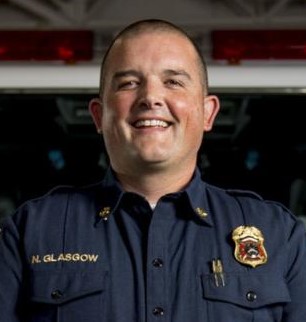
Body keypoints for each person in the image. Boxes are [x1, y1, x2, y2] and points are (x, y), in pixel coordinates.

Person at [0, 19, 305, 322]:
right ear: (99, 114)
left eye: (173, 81)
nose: (150, 97)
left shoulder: (283, 237)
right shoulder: (29, 232)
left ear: (208, 113)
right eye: (128, 83)